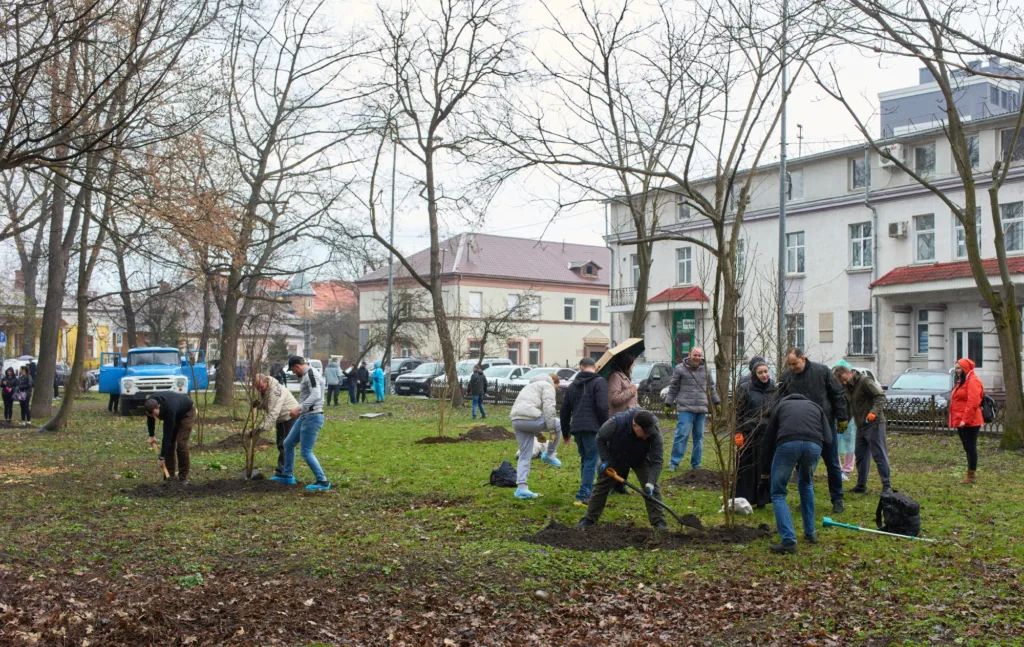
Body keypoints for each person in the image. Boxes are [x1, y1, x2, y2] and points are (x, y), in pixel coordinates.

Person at [777, 348, 848, 514]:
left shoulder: (821, 371)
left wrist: (842, 418)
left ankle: (837, 500)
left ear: (803, 358)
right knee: (804, 466)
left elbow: (837, 394)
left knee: (832, 463)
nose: (792, 367)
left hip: (825, 424)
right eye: (789, 364)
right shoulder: (786, 378)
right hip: (801, 427)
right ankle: (806, 500)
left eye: (794, 363)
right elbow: (779, 401)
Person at [760, 394, 832, 554]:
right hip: (814, 445)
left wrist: (764, 472)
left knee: (778, 492)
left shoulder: (780, 407)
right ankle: (810, 533)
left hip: (788, 444)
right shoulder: (816, 406)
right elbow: (828, 438)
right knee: (806, 484)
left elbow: (768, 439)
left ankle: (788, 540)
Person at [575, 408, 666, 530]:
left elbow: (657, 461)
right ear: (635, 425)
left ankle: (659, 522)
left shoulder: (653, 430)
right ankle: (589, 518)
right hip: (616, 455)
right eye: (645, 431)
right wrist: (606, 459)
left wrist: (651, 482)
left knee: (652, 488)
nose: (647, 435)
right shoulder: (616, 422)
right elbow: (600, 438)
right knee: (602, 486)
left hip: (641, 457)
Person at [270, 356, 331, 491]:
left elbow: (316, 395)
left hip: (313, 417)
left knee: (305, 451)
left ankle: (322, 481)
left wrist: (298, 408)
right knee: (288, 443)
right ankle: (287, 475)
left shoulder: (311, 374)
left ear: (296, 366)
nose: (293, 373)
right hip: (305, 417)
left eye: (292, 370)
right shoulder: (308, 374)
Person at [832, 364, 891, 495]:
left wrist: (874, 412)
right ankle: (861, 485)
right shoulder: (847, 387)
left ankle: (887, 486)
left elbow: (880, 396)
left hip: (874, 423)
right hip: (861, 425)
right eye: (841, 382)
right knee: (861, 456)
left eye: (844, 379)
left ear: (849, 373)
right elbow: (849, 408)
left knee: (879, 455)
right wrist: (843, 422)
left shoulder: (864, 381)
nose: (844, 383)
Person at [560, 357, 609, 505]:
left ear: (581, 367)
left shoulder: (572, 386)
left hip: (577, 428)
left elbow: (564, 411)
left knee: (585, 459)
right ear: (595, 367)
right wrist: (606, 428)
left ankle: (586, 489)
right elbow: (602, 407)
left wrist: (566, 433)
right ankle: (583, 494)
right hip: (593, 428)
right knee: (591, 460)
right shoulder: (599, 382)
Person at [664, 346, 720, 471]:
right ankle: (674, 462)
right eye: (695, 355)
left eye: (699, 355)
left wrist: (717, 402)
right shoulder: (680, 369)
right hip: (685, 408)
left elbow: (711, 387)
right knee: (682, 435)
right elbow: (673, 387)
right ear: (689, 355)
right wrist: (668, 403)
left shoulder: (706, 369)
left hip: (701, 408)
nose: (697, 357)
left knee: (698, 437)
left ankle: (696, 464)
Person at [509, 374, 563, 498]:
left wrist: (538, 434)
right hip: (529, 419)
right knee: (558, 423)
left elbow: (527, 410)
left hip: (516, 421)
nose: (556, 389)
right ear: (553, 382)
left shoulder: (529, 386)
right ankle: (549, 454)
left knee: (524, 455)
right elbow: (549, 409)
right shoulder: (547, 386)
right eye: (557, 387)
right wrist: (552, 430)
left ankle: (521, 488)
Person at [735, 356, 775, 508]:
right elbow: (739, 412)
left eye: (766, 371)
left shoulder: (773, 389)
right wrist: (738, 432)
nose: (764, 375)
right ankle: (746, 498)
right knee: (748, 469)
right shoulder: (745, 389)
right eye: (760, 373)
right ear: (754, 374)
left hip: (767, 434)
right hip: (749, 434)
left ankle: (763, 499)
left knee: (765, 468)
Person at [253, 373, 300, 477]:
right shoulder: (267, 389)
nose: (260, 389)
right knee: (281, 444)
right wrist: (259, 404)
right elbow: (268, 404)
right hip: (282, 418)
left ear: (267, 382)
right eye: (257, 388)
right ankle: (282, 470)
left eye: (261, 387)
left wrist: (259, 429)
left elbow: (273, 412)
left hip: (289, 417)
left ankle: (284, 472)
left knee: (285, 445)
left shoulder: (275, 391)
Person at [143, 391, 196, 482]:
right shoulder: (149, 403)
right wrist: (151, 435)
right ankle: (170, 477)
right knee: (170, 444)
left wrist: (162, 457)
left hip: (186, 413)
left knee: (181, 444)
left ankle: (183, 478)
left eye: (156, 414)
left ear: (158, 406)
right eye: (152, 415)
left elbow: (167, 434)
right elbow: (150, 419)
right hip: (176, 411)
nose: (155, 417)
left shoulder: (169, 409)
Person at [949, 357, 984, 484]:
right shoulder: (963, 381)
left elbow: (973, 402)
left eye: (958, 368)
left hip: (970, 421)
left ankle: (971, 475)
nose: (956, 370)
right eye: (956, 368)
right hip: (962, 420)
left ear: (965, 368)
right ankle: (970, 474)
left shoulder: (972, 381)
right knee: (967, 447)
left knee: (970, 447)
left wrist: (965, 420)